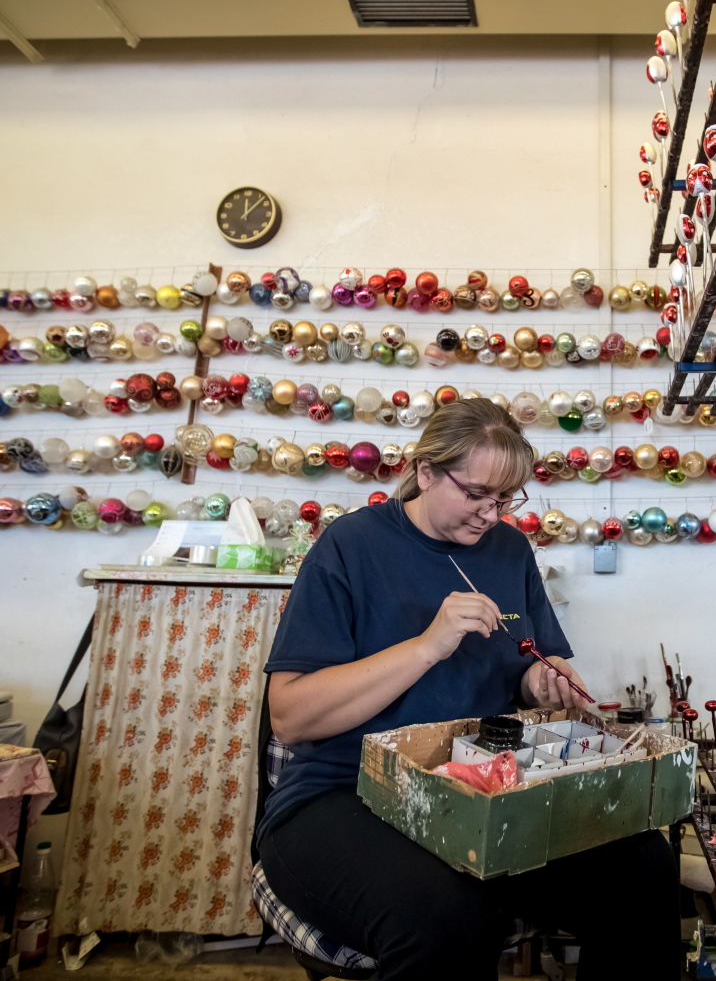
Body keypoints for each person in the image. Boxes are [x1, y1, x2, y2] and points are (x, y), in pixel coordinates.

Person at [258, 398, 681, 979]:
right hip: (343, 793)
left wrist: (542, 681)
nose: (490, 514)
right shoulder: (351, 547)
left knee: (643, 869)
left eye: (506, 499)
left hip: (482, 785)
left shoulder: (509, 549)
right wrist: (427, 645)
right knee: (450, 920)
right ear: (426, 471)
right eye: (476, 494)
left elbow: (532, 659)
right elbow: (291, 717)